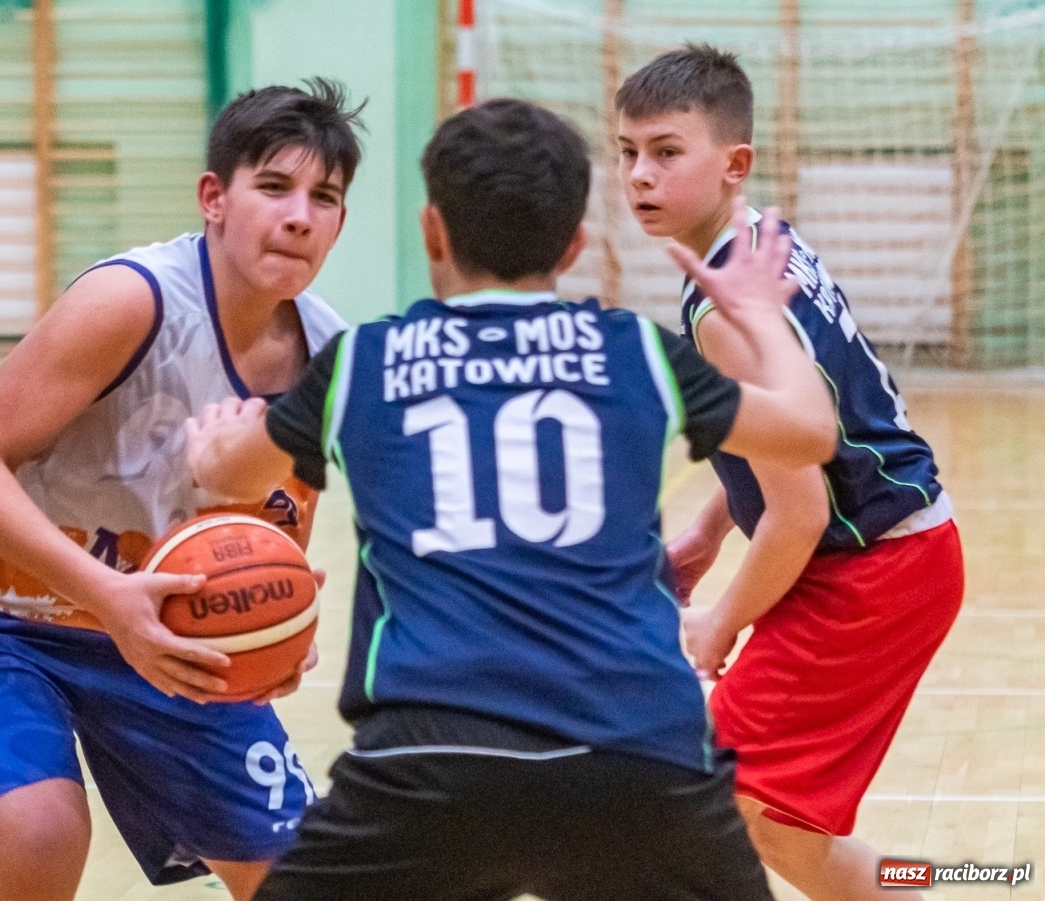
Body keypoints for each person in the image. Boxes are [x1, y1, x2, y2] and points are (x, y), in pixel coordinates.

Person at [185, 97, 838, 901]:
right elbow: (811, 431)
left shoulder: (364, 361)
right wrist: (762, 317)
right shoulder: (635, 351)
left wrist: (214, 445)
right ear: (574, 246)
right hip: (637, 755)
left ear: (432, 231)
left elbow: (235, 478)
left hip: (426, 763)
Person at [0, 81, 365, 901]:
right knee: (37, 834)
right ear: (214, 198)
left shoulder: (330, 358)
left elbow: (269, 537)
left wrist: (274, 634)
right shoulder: (130, 301)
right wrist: (109, 598)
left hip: (162, 634)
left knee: (303, 878)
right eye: (274, 186)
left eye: (323, 198)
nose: (299, 217)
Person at [616, 44, 964, 900]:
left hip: (873, 570)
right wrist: (709, 528)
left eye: (666, 151)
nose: (639, 175)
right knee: (763, 814)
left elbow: (799, 510)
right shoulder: (762, 243)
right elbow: (786, 434)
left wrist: (718, 623)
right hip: (892, 550)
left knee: (720, 794)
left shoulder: (724, 312)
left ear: (734, 163)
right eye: (626, 152)